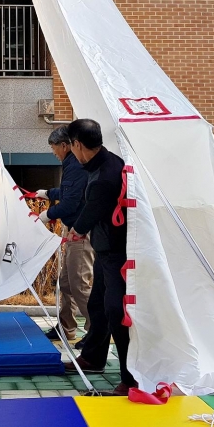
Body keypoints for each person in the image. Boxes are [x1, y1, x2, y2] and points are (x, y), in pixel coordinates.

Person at [63, 118, 137, 396]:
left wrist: (75, 231)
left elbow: (89, 214)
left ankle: (131, 380)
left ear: (78, 144)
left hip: (118, 253)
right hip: (107, 249)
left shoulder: (105, 176)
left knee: (116, 311)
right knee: (98, 304)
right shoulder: (106, 163)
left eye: (71, 146)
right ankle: (93, 358)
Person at [36, 126, 92, 348]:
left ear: (65, 145)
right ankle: (66, 327)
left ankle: (95, 331)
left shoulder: (75, 165)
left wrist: (47, 214)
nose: (54, 153)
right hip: (73, 232)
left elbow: (71, 202)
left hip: (81, 232)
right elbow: (70, 193)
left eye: (54, 148)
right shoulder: (72, 165)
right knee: (66, 283)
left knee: (79, 284)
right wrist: (49, 193)